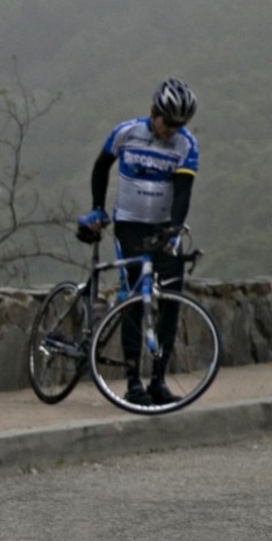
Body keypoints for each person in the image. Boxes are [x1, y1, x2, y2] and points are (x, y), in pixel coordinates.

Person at [78, 78, 199, 404]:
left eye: (179, 124)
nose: (171, 129)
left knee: (171, 301)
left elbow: (183, 192)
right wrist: (97, 208)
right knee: (134, 297)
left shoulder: (186, 145)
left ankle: (157, 380)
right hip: (129, 226)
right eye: (167, 122)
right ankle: (132, 382)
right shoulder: (127, 132)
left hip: (162, 228)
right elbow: (101, 166)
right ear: (154, 112)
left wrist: (174, 228)